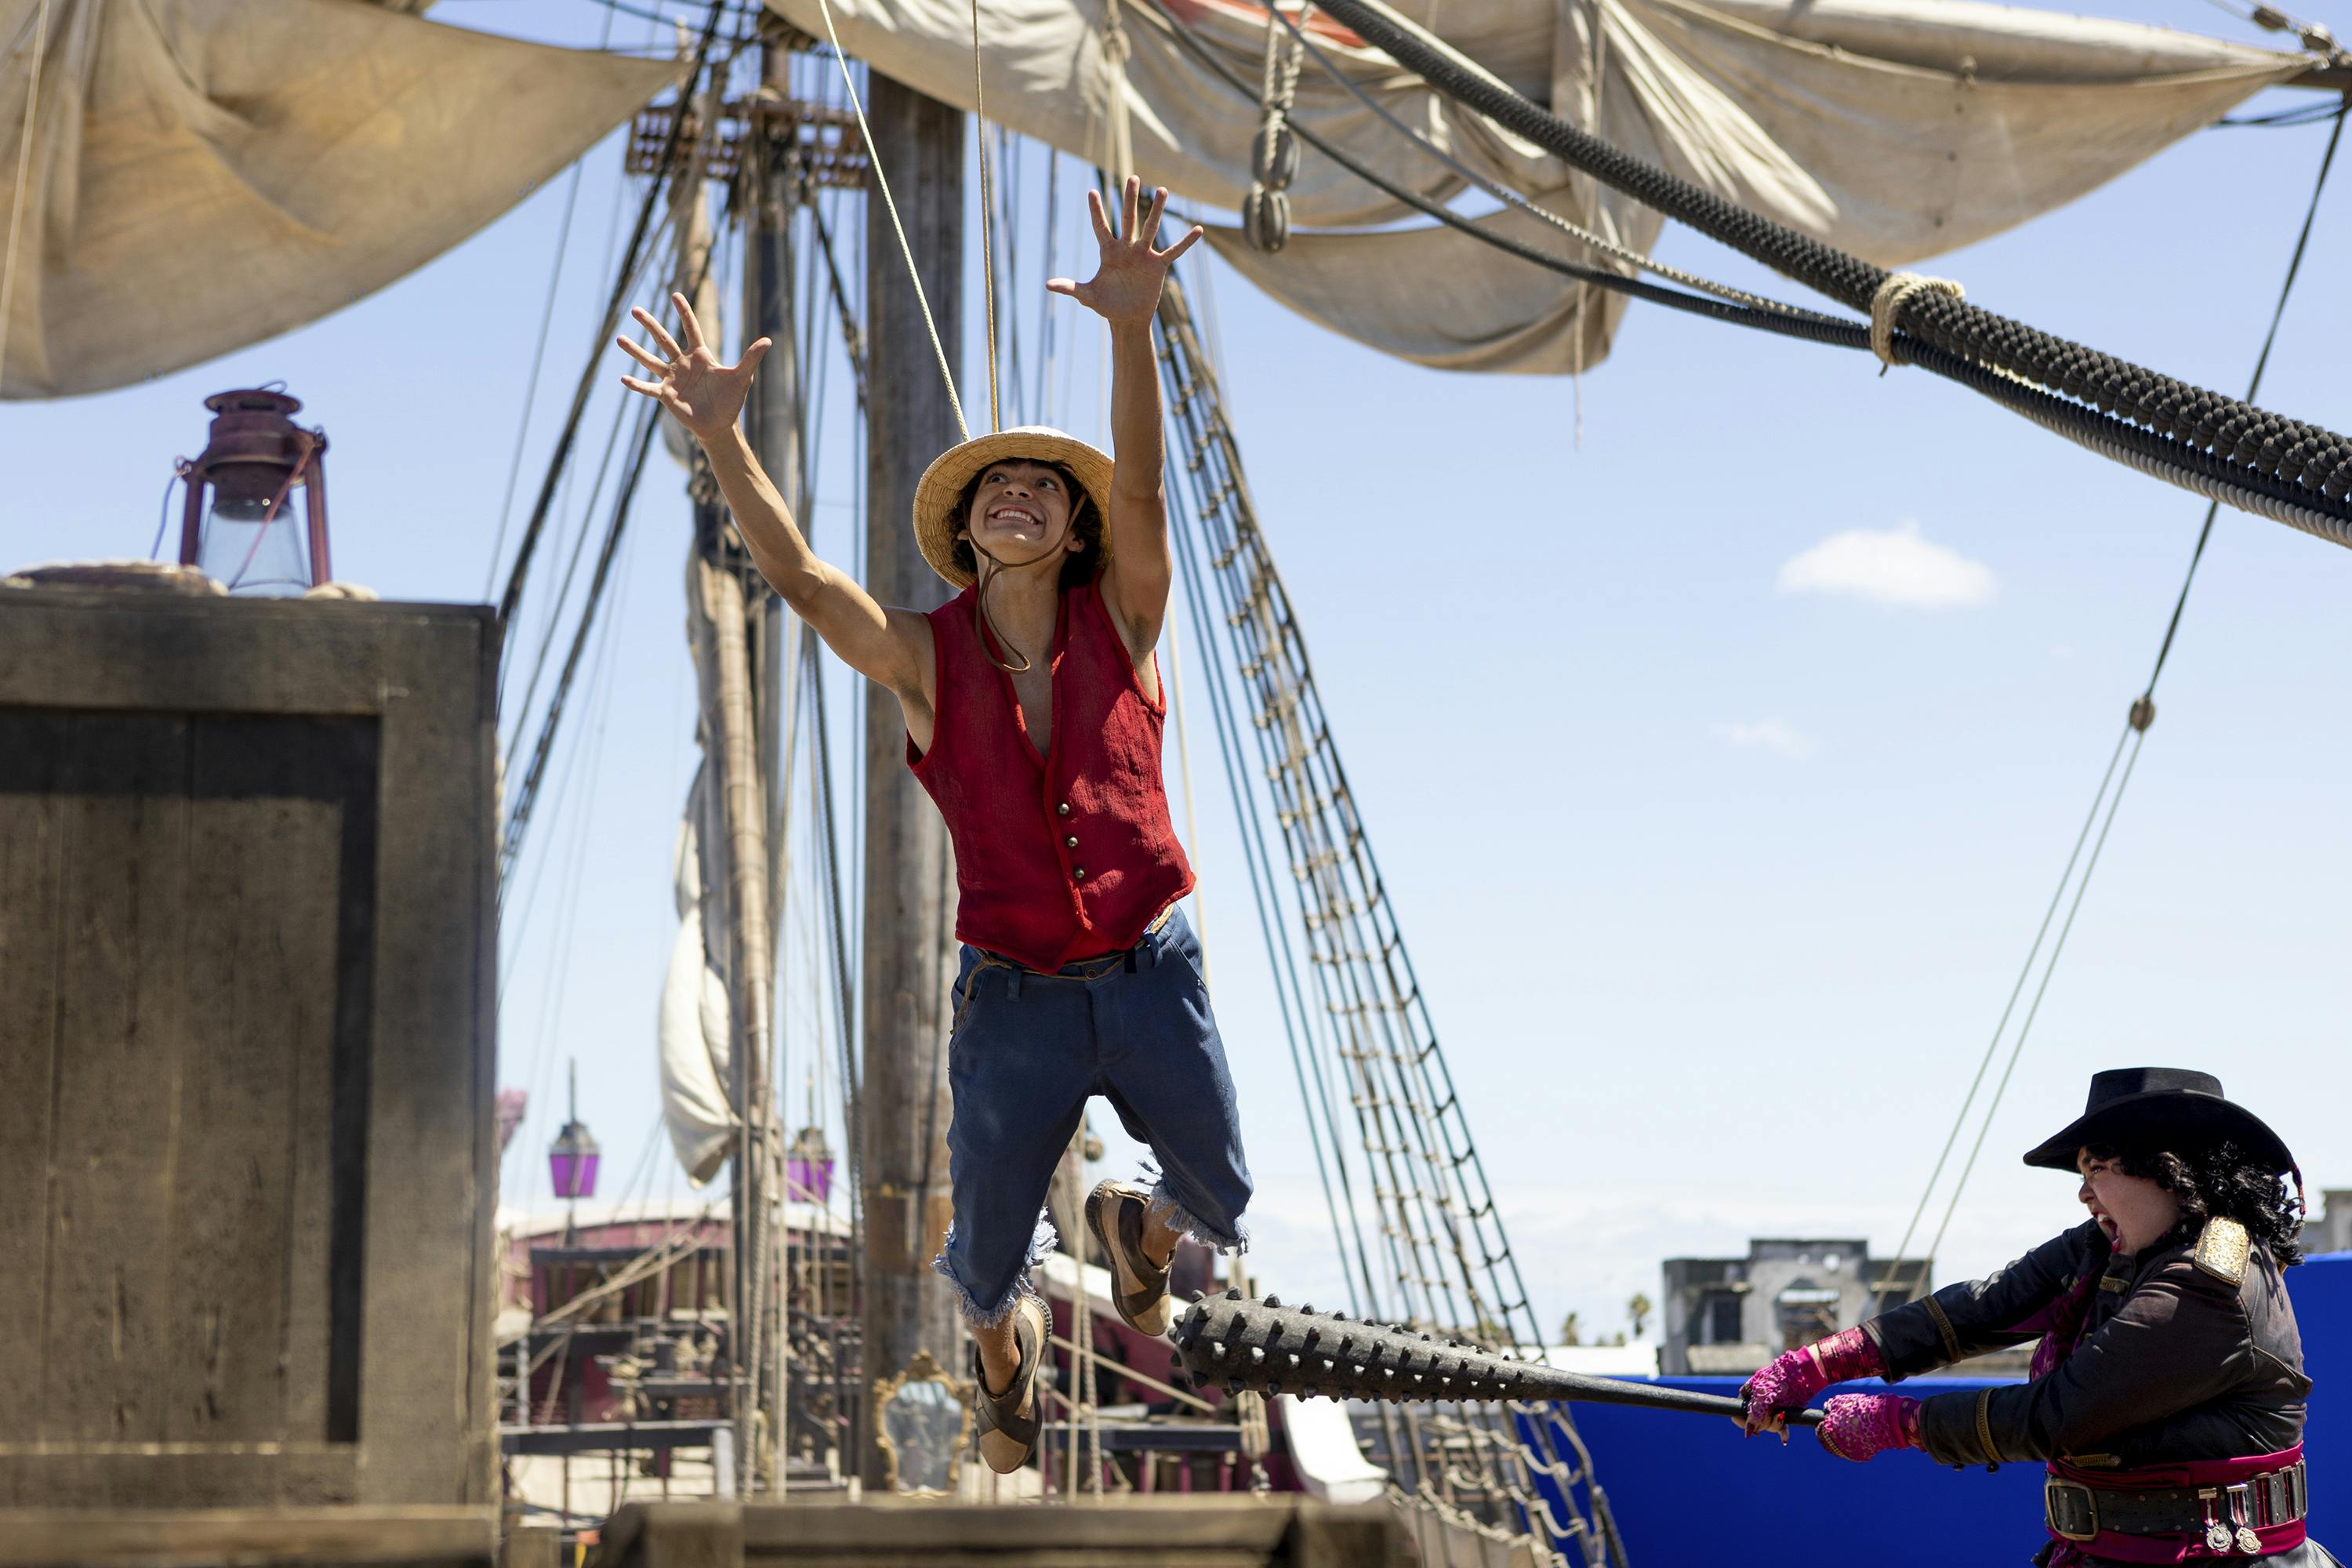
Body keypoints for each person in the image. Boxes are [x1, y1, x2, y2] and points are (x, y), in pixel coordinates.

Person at [617, 177, 1252, 1475]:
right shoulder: (922, 660)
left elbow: (1144, 498)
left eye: (1041, 486)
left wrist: (1130, 330)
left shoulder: (1123, 618)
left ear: (1070, 528)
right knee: (981, 1262)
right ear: (965, 532)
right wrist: (723, 442)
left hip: (1150, 970)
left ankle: (1136, 1237)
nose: (1018, 491)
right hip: (1012, 997)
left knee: (1220, 1195)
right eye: (994, 488)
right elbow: (799, 580)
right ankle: (1005, 1368)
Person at [1740, 1068, 2329, 1566]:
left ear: (2170, 1171)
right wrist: (1818, 1362)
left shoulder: (2209, 1283)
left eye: (2098, 1168)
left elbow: (2062, 1413)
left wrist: (1902, 1423)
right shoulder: (2108, 1248)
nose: (2084, 1192)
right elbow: (1980, 1308)